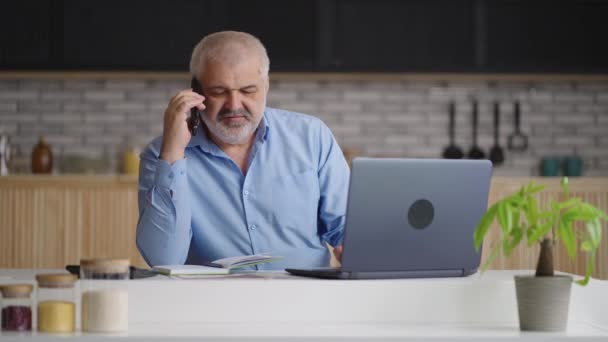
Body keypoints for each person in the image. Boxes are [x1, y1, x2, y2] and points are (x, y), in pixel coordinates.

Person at [136, 31, 349, 270]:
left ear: (266, 86)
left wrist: (355, 248)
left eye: (248, 90)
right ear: (196, 92)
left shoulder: (312, 136)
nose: (234, 105)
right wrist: (173, 154)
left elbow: (347, 230)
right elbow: (163, 259)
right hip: (213, 302)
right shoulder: (161, 154)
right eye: (218, 91)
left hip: (307, 295)